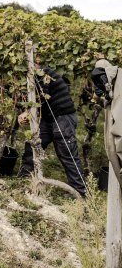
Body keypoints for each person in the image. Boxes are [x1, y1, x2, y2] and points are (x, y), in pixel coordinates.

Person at [18, 63, 86, 196]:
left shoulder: (43, 74)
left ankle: (80, 191)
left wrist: (26, 113)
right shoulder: (33, 76)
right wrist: (26, 112)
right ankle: (25, 178)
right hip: (48, 119)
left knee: (67, 153)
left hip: (63, 118)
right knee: (32, 145)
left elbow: (41, 97)